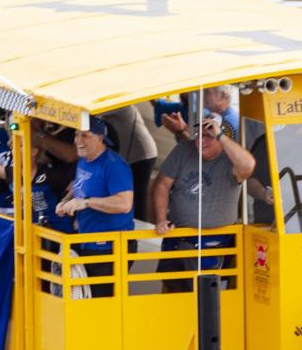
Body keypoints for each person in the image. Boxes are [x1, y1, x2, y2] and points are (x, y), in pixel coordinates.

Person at [152, 113, 255, 292]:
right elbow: (161, 185)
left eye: (209, 136)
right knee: (171, 296)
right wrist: (161, 219)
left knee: (210, 304)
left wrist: (220, 135)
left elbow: (248, 166)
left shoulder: (231, 160)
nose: (201, 141)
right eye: (199, 134)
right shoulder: (183, 150)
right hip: (178, 240)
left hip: (217, 245)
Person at [55, 117, 135, 297]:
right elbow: (79, 185)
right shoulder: (84, 159)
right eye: (76, 135)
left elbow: (124, 204)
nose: (78, 141)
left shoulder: (114, 165)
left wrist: (87, 202)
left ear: (100, 138)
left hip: (110, 247)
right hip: (87, 240)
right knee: (84, 298)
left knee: (101, 300)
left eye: (85, 136)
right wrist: (67, 201)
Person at [101, 105, 158, 222]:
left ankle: (136, 233)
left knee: (137, 196)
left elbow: (91, 111)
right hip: (129, 151)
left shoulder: (120, 103)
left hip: (142, 154)